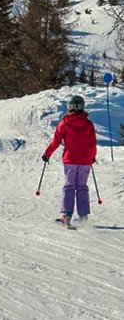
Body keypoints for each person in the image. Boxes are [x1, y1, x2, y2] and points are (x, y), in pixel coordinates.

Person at [42, 94, 97, 227]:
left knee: (69, 186)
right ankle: (83, 216)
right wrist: (92, 157)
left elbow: (56, 141)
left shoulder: (65, 123)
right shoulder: (88, 124)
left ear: (70, 107)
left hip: (70, 159)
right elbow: (92, 143)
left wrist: (47, 154)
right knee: (82, 187)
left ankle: (66, 215)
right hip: (85, 161)